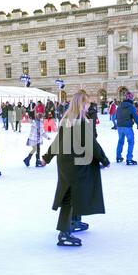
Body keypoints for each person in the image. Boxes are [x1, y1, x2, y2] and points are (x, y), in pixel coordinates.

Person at [41, 91, 110, 247]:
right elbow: (92, 145)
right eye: (86, 103)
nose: (88, 106)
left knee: (74, 191)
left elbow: (58, 142)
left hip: (66, 161)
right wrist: (104, 160)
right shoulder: (81, 121)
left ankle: (73, 220)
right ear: (81, 104)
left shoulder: (67, 120)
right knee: (70, 195)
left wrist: (47, 157)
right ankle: (64, 233)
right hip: (76, 162)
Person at [116, 91, 138, 165]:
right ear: (131, 99)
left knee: (120, 141)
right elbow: (135, 116)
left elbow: (116, 115)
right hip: (127, 126)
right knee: (131, 142)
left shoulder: (120, 105)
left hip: (119, 126)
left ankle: (118, 157)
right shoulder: (131, 106)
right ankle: (129, 159)